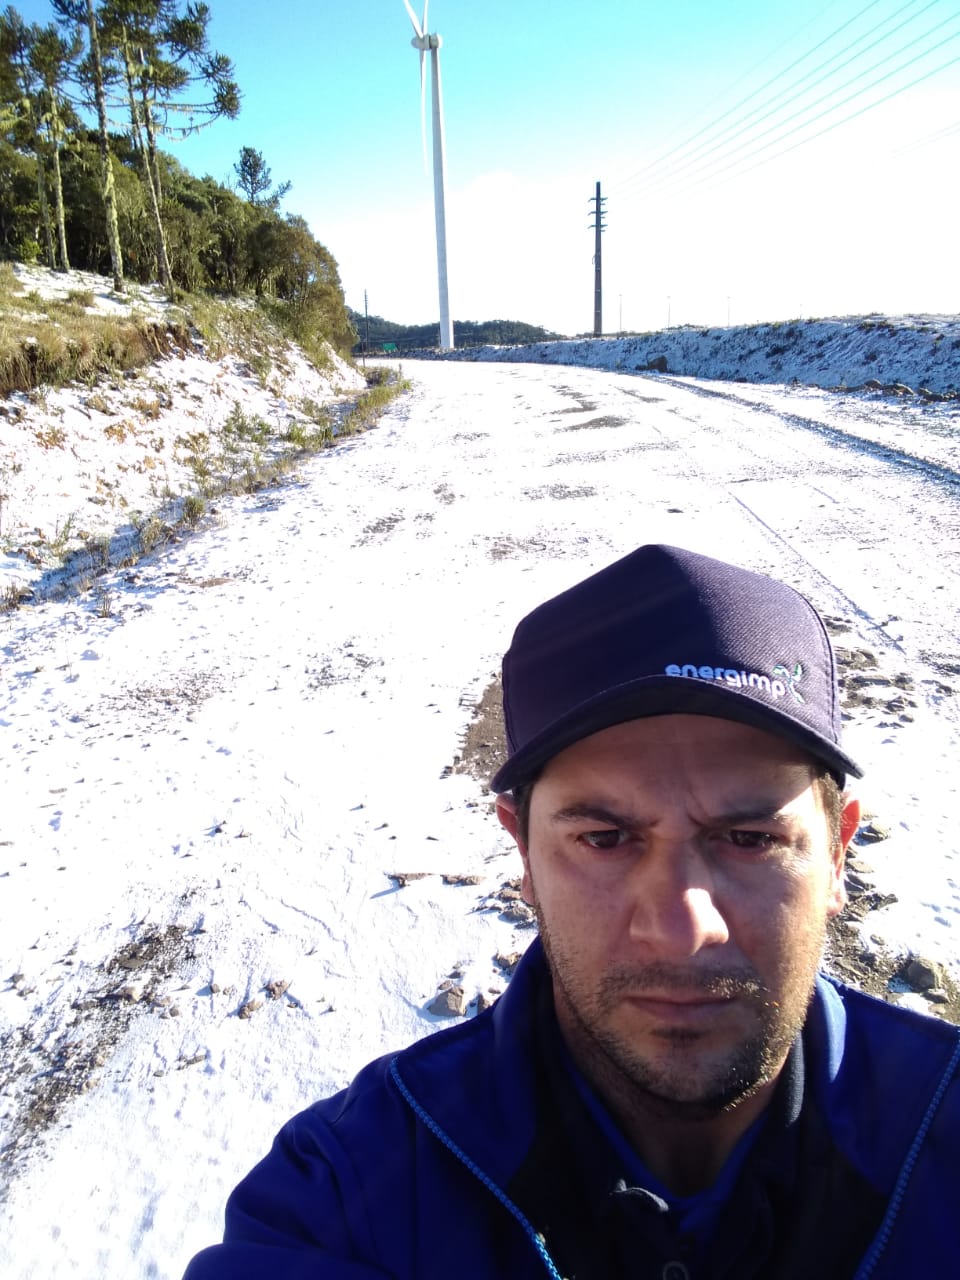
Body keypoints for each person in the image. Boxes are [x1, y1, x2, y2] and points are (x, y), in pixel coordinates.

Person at [184, 544, 960, 1280]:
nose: (682, 930)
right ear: (523, 854)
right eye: (606, 839)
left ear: (838, 854)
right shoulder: (349, 1187)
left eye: (750, 839)